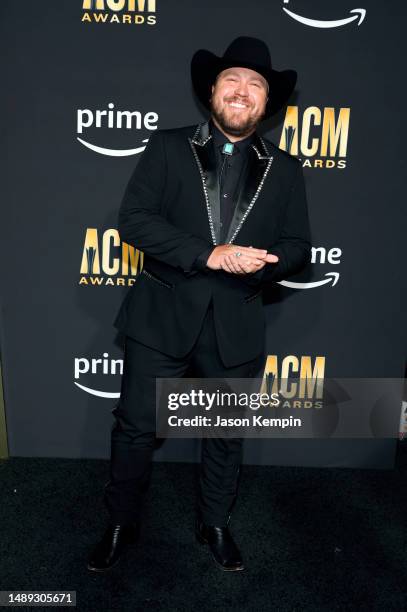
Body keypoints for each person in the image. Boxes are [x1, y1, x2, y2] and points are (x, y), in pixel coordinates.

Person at [87, 36, 311, 573]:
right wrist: (210, 254)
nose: (242, 91)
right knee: (137, 427)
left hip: (235, 322)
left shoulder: (285, 168)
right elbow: (135, 221)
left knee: (225, 434)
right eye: (232, 80)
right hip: (161, 316)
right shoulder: (167, 147)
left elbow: (300, 246)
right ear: (212, 90)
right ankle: (121, 523)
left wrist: (266, 261)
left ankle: (214, 523)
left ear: (266, 103)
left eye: (255, 85)